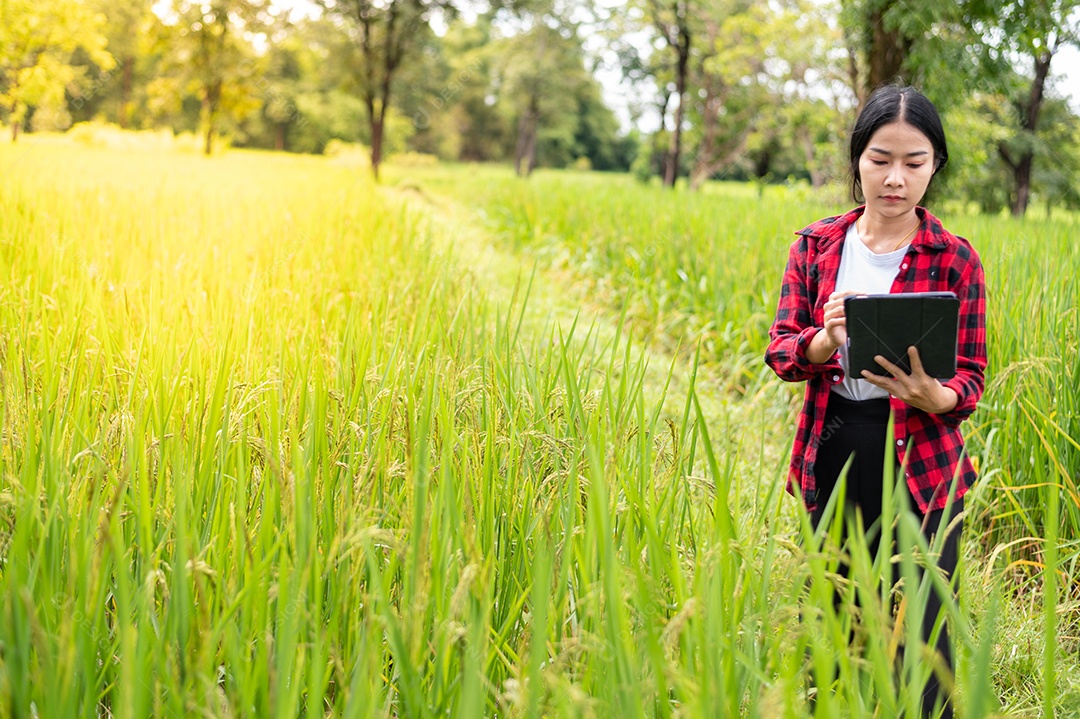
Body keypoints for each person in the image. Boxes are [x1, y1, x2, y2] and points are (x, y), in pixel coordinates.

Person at [764, 84, 987, 718]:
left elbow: (970, 376)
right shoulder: (815, 246)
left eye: (914, 163)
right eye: (879, 159)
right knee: (838, 608)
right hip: (836, 440)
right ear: (857, 158)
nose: (895, 178)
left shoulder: (956, 259)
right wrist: (821, 340)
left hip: (924, 455)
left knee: (925, 621)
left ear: (934, 166)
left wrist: (934, 395)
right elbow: (781, 353)